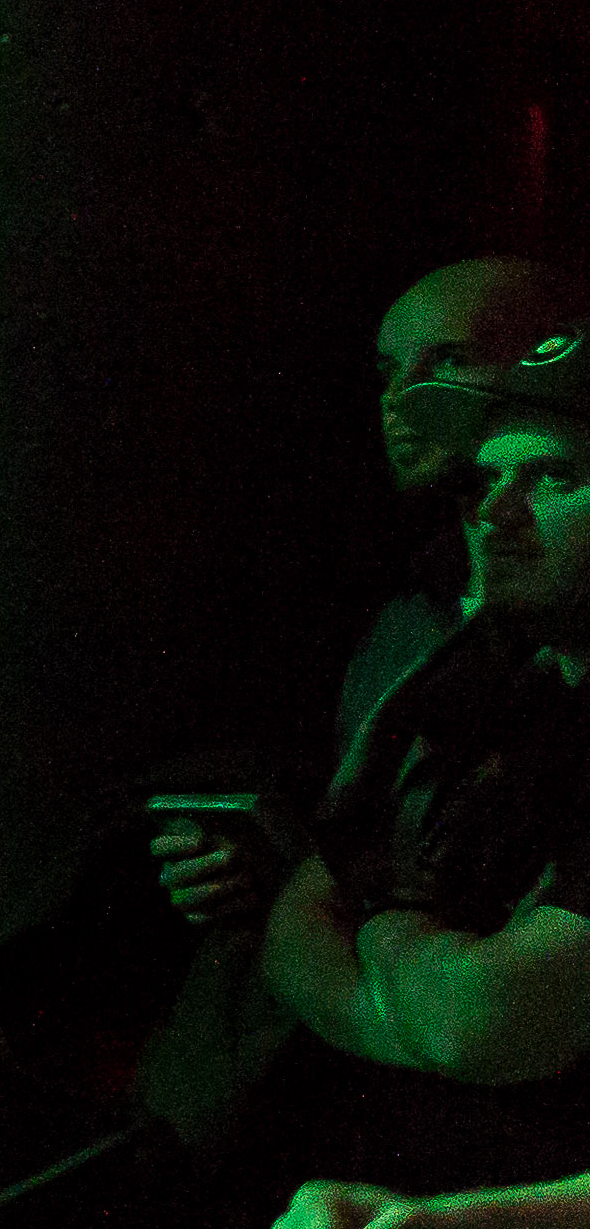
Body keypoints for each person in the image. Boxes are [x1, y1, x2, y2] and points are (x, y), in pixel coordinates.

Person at [260, 329, 590, 1229]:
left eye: (554, 475)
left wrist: (386, 933)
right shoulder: (476, 698)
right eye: (483, 481)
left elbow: (491, 1020)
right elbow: (296, 929)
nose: (495, 510)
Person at [150, 254, 588, 939]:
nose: (401, 399)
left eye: (449, 359)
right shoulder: (387, 603)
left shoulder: (558, 628)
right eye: (386, 372)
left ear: (551, 355)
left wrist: (363, 929)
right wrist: (248, 863)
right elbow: (351, 844)